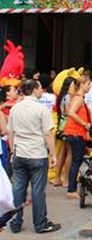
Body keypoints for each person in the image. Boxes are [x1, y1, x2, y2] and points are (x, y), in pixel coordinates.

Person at [8, 79, 61, 234]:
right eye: (39, 88)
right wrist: (53, 154)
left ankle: (15, 222)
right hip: (37, 154)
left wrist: (13, 151)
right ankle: (40, 224)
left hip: (19, 153)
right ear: (34, 90)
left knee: (18, 189)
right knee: (37, 191)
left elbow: (11, 132)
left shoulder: (15, 109)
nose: (41, 91)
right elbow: (48, 134)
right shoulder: (41, 109)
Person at [64, 75, 91, 199]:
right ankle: (71, 189)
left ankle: (72, 187)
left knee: (77, 160)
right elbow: (70, 112)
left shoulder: (79, 98)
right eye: (88, 84)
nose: (89, 87)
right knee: (76, 160)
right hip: (76, 132)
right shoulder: (78, 98)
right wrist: (84, 123)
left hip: (76, 132)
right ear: (82, 85)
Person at [51, 77, 73, 188]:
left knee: (62, 152)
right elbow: (69, 112)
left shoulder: (61, 96)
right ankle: (66, 179)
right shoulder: (69, 97)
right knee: (69, 152)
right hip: (68, 125)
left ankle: (57, 177)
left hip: (62, 124)